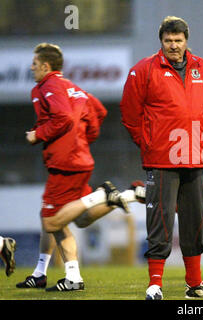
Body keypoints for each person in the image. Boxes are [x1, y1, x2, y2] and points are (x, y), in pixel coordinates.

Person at [120, 16, 203, 300]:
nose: (173, 46)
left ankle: (195, 284)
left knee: (194, 223)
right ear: (161, 42)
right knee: (161, 221)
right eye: (168, 41)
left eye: (178, 41)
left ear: (186, 41)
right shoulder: (143, 70)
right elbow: (130, 115)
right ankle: (155, 285)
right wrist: (150, 143)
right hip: (161, 160)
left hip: (195, 158)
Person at [22, 43, 130, 292]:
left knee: (50, 222)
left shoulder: (47, 86)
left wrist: (37, 134)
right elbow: (99, 112)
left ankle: (103, 195)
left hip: (65, 162)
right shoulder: (74, 88)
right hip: (77, 158)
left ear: (46, 66)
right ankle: (67, 276)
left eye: (35, 64)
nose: (32, 67)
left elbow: (63, 118)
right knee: (76, 219)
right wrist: (83, 138)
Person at [15, 180, 143, 289]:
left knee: (51, 217)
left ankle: (102, 195)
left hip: (64, 168)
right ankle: (124, 195)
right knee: (78, 219)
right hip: (69, 165)